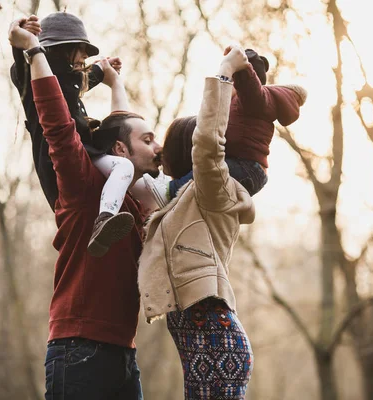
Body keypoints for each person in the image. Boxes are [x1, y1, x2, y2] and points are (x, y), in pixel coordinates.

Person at [8, 16, 162, 400]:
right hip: (79, 350)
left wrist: (114, 81)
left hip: (123, 353)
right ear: (122, 149)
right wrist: (30, 49)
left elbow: (121, 127)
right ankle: (102, 222)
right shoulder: (82, 185)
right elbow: (57, 124)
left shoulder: (138, 200)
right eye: (149, 139)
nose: (157, 145)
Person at [138, 45, 256, 399]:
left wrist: (224, 74)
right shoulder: (177, 203)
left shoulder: (209, 190)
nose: (158, 152)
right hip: (203, 349)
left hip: (217, 347)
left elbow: (207, 142)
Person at [10, 13, 152, 257]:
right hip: (58, 161)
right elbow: (25, 68)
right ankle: (105, 219)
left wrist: (105, 70)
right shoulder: (37, 79)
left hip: (86, 153)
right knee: (124, 168)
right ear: (63, 50)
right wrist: (23, 42)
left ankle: (142, 220)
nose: (86, 57)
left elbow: (81, 79)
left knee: (136, 177)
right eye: (81, 50)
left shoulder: (71, 81)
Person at [143, 48, 307, 208]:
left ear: (242, 81)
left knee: (205, 174)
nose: (227, 86)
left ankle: (171, 191)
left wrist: (240, 65)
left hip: (247, 167)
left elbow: (248, 88)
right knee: (208, 172)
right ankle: (172, 189)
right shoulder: (244, 105)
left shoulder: (255, 100)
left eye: (232, 81)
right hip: (245, 166)